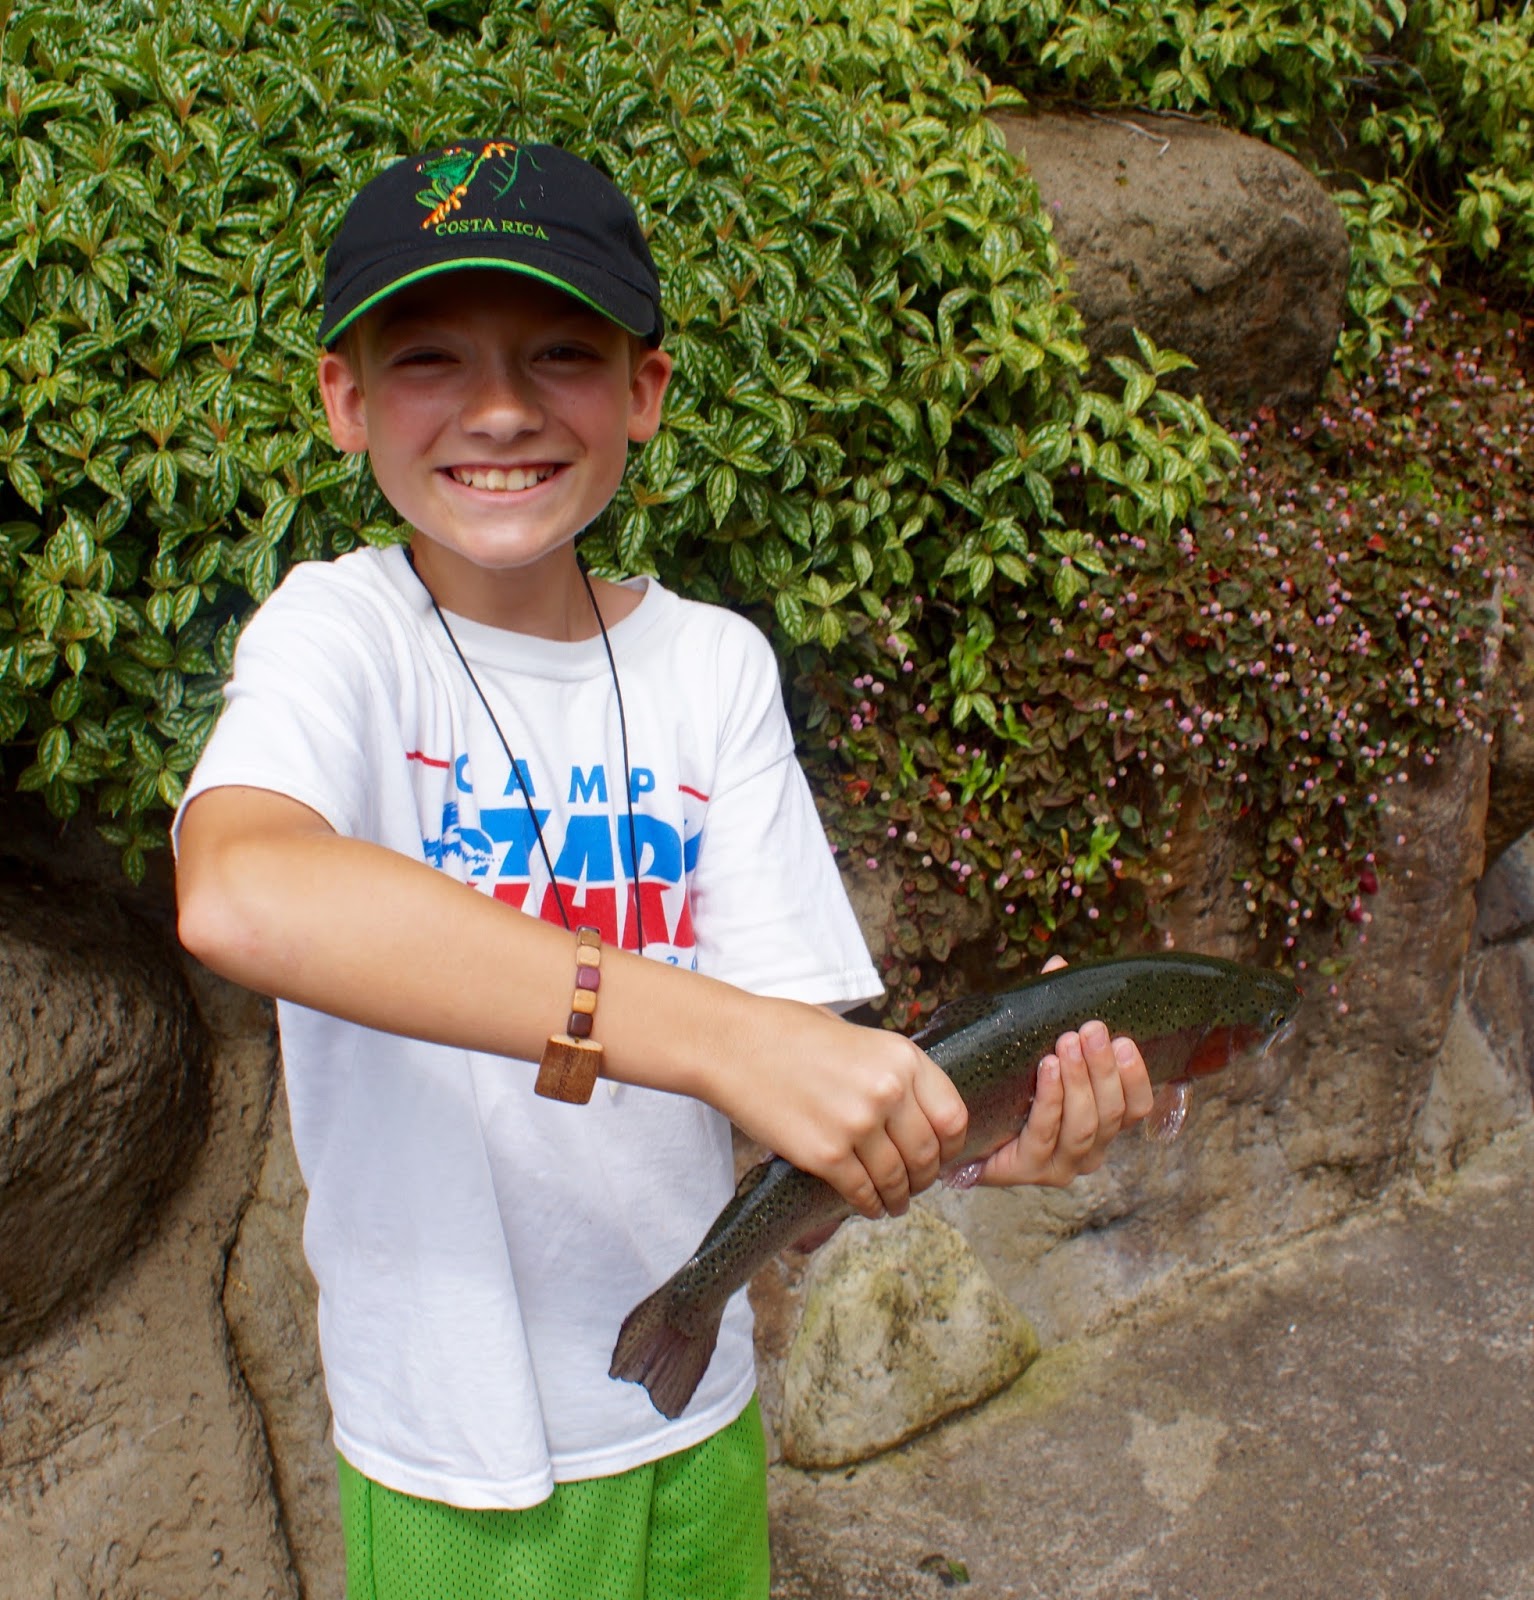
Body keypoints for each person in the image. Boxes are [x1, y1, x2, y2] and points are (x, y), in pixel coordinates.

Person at [173, 139, 1153, 1600]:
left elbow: (797, 1068)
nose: (500, 407)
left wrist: (970, 1123)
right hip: (456, 1456)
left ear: (643, 392)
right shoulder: (338, 639)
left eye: (561, 353)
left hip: (696, 1409)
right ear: (345, 399)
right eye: (430, 357)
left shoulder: (713, 667)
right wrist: (700, 1032)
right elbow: (242, 890)